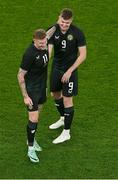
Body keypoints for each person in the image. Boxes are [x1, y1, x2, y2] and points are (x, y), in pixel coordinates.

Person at [48, 8, 87, 144]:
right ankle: (63, 118)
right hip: (56, 68)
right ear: (59, 18)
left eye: (67, 23)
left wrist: (70, 71)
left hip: (70, 71)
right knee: (55, 94)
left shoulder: (77, 33)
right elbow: (49, 48)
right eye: (63, 22)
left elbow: (83, 55)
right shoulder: (52, 29)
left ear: (71, 22)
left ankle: (66, 133)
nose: (64, 25)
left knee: (67, 100)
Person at [17, 27, 55, 163]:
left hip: (41, 87)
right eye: (40, 43)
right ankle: (30, 148)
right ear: (34, 41)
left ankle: (31, 140)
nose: (43, 45)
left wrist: (57, 24)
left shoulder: (45, 41)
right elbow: (20, 75)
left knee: (37, 116)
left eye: (44, 42)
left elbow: (50, 33)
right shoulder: (29, 54)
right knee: (33, 119)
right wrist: (25, 96)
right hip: (32, 89)